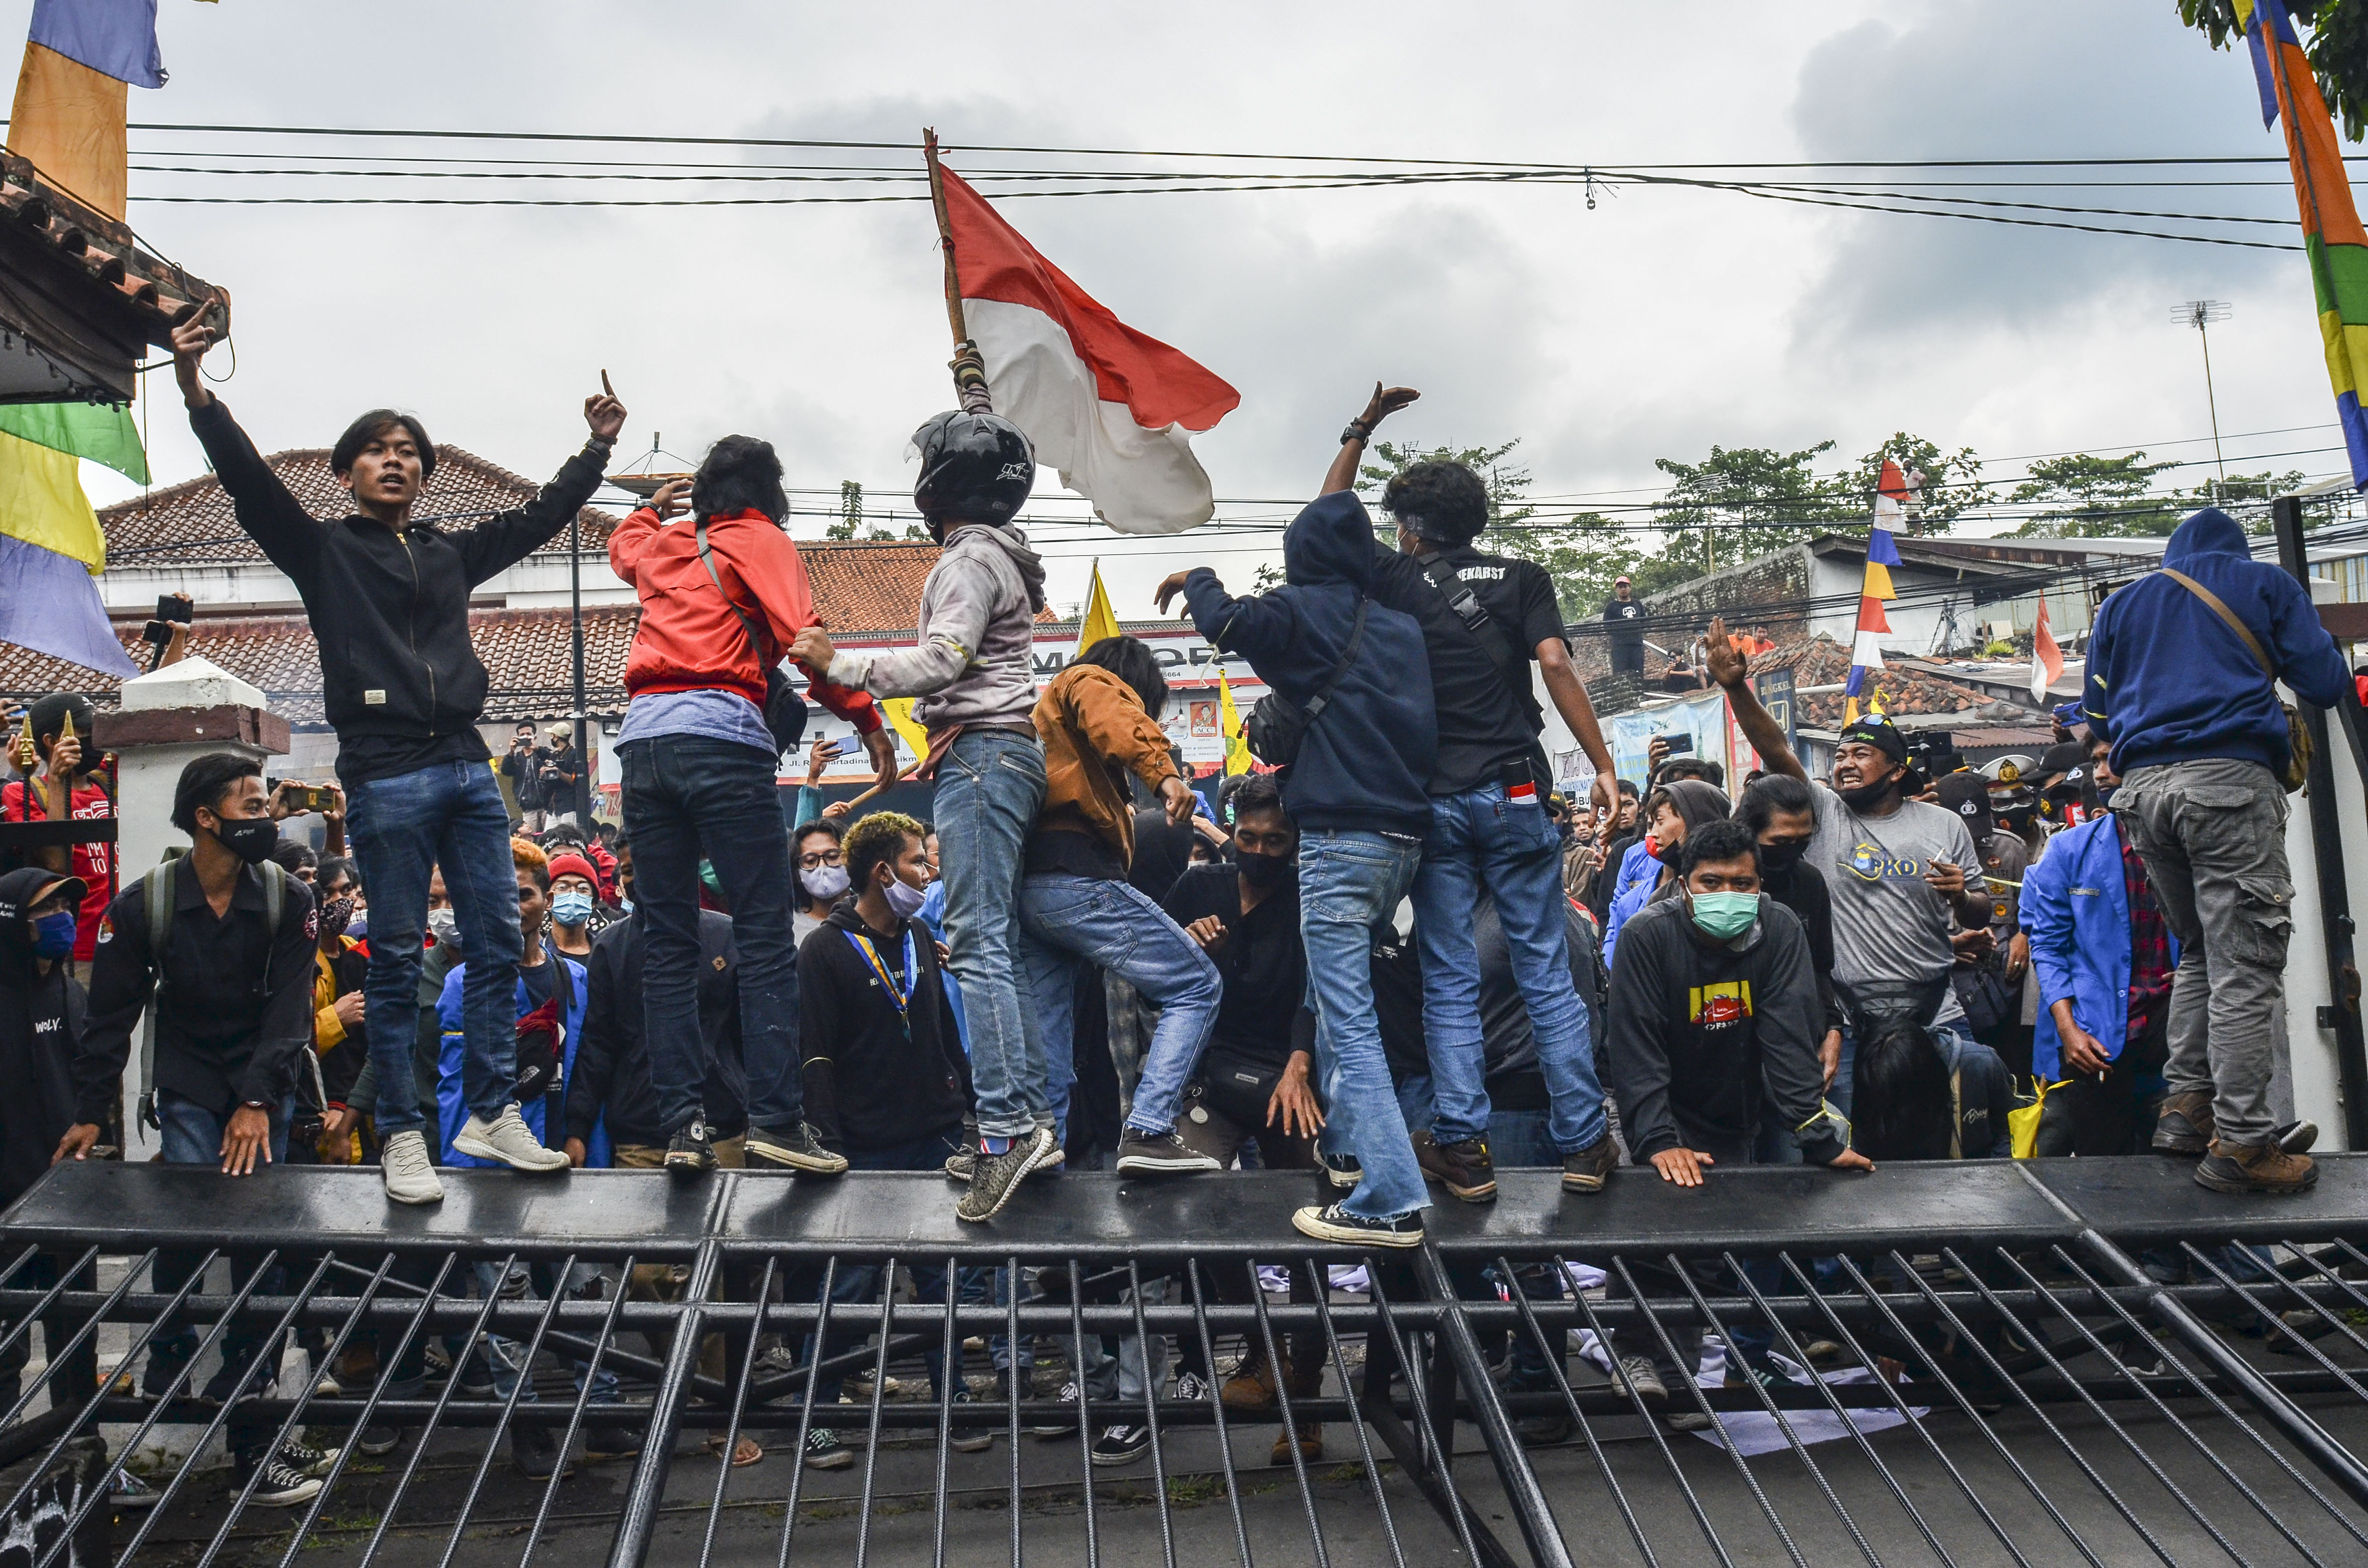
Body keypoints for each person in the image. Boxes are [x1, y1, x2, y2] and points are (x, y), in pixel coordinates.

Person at [166, 313, 622, 1206]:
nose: (395, 459)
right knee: (404, 950)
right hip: (384, 770)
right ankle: (407, 1136)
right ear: (347, 474)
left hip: (464, 765)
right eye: (375, 449)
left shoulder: (451, 554)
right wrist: (194, 392)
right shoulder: (325, 552)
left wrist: (594, 450)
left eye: (408, 449)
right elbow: (252, 487)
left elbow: (540, 517)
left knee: (497, 939)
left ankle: (490, 1109)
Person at [1340, 386, 1621, 1207]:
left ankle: (1462, 1147)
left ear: (1408, 526)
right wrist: (1600, 763)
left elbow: (1326, 514)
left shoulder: (1392, 577)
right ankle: (1583, 1143)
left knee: (1450, 979)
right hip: (1515, 789)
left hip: (1432, 802)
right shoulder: (1522, 576)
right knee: (1543, 970)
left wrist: (1362, 429)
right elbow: (1558, 667)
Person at [1158, 469, 1439, 1248]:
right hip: (1404, 845)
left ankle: (1386, 1196)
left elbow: (1223, 619)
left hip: (1341, 841)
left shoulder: (1298, 610)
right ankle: (1350, 1154)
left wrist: (1198, 575)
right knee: (1340, 994)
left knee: (1349, 1025)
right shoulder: (1397, 627)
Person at [789, 410, 1054, 1217]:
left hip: (982, 758)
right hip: (995, 756)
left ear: (938, 483)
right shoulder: (999, 553)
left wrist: (844, 662)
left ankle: (1009, 1129)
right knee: (994, 941)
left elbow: (944, 659)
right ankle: (1028, 1118)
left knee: (976, 940)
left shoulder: (969, 557)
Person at [55, 753, 333, 1505]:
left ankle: (253, 1428)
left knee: (261, 1247)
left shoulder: (290, 897)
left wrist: (252, 1101)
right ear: (206, 818)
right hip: (184, 1082)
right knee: (184, 1223)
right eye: (249, 803)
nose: (264, 815)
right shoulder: (141, 906)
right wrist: (88, 1112)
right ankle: (168, 1381)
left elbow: (288, 1015)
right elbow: (109, 1017)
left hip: (261, 1084)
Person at [607, 438, 890, 1177]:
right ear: (770, 492)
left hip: (640, 743)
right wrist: (865, 719)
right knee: (765, 934)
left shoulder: (666, 542)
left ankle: (681, 1127)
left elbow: (623, 547)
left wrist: (648, 507)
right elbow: (807, 642)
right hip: (722, 738)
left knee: (664, 944)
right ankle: (776, 1119)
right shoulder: (761, 538)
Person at [2087, 507, 2347, 1192]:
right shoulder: (2263, 584)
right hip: (2226, 785)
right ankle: (2242, 1143)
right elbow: (2324, 682)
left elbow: (2094, 714)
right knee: (2246, 963)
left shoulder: (2121, 603)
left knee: (2201, 949)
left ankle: (2183, 1110)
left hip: (2141, 793)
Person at [1599, 819, 1870, 1412]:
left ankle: (1679, 1378)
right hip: (1665, 1100)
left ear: (1759, 882)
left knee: (1706, 1244)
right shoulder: (1649, 934)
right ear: (1687, 885)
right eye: (1712, 882)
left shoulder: (1776, 927)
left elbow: (1788, 1039)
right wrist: (1657, 1137)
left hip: (1735, 1104)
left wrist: (1819, 1139)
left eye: (1742, 883)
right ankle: (1638, 1352)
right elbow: (1635, 1045)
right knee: (1657, 1229)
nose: (1728, 895)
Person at [1708, 619, 1992, 1119]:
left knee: (1950, 1152)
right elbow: (1777, 750)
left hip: (1935, 1017)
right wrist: (1735, 686)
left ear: (1898, 770)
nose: (1844, 764)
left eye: (1862, 754)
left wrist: (1961, 899)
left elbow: (1979, 912)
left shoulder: (1944, 825)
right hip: (1847, 1028)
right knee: (1848, 1161)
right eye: (1840, 754)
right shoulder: (1823, 812)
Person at [788, 811, 984, 1465]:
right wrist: (830, 1148)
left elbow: (942, 1033)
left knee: (940, 1285)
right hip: (861, 1153)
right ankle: (817, 1416)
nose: (926, 874)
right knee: (845, 1293)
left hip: (932, 1142)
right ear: (882, 871)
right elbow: (814, 1054)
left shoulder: (920, 934)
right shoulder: (822, 948)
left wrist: (968, 1106)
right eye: (916, 862)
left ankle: (952, 1405)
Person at [1016, 636, 1221, 1179]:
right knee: (1197, 985)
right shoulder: (1086, 681)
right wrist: (1165, 772)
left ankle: (1041, 1162)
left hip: (1032, 894)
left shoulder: (1048, 727)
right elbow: (1113, 712)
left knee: (1050, 1052)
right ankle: (1151, 1129)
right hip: (1078, 878)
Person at [2023, 736, 2182, 1156]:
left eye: (2110, 760)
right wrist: (2068, 1029)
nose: (2099, 773)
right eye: (2095, 761)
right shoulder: (2069, 849)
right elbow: (2048, 948)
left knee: (2179, 1168)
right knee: (2102, 1174)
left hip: (2174, 1030)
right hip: (2096, 1036)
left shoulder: (2185, 844)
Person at [568, 836, 742, 1169]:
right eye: (630, 869)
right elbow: (598, 1046)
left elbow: (745, 1033)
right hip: (641, 1138)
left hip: (721, 1131)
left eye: (649, 863)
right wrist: (578, 1127)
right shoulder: (610, 948)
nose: (640, 877)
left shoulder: (725, 936)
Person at [437, 838, 591, 1170]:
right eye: (503, 896)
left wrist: (580, 1136)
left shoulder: (577, 979)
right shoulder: (464, 983)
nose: (514, 907)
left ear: (547, 900)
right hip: (492, 1163)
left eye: (524, 896)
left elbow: (587, 1071)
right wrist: (459, 1169)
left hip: (562, 1145)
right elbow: (455, 1086)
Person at [1735, 774, 1844, 1130]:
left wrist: (1832, 1028)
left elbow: (1820, 967)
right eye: (1779, 842)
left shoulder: (1809, 882)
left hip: (1795, 1052)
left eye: (1802, 842)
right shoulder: (1721, 886)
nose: (1791, 853)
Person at [2, 692, 112, 970]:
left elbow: (150, 711)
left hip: (123, 940)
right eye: (84, 732)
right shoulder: (22, 793)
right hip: (77, 949)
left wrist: (175, 646)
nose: (93, 739)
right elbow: (56, 861)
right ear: (52, 742)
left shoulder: (105, 781)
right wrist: (57, 780)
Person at [1603, 779, 1730, 970]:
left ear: (1693, 819)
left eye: (1660, 822)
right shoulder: (1635, 903)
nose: (1653, 834)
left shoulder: (1738, 895)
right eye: (1650, 825)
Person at [308, 856, 372, 1160]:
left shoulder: (356, 950)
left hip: (360, 1110)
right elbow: (287, 1045)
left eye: (347, 891)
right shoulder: (298, 961)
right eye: (327, 895)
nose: (340, 902)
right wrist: (336, 1018)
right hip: (314, 1111)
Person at [792, 818, 848, 947]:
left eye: (833, 857)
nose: (822, 867)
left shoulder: (874, 920)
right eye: (811, 861)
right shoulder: (787, 928)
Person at [545, 849, 602, 961]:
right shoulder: (537, 955)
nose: (573, 895)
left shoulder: (606, 952)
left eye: (582, 889)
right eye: (562, 887)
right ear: (548, 900)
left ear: (593, 902)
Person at [500, 723, 549, 831]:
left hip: (547, 806)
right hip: (528, 807)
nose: (526, 737)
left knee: (548, 836)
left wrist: (536, 749)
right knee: (530, 837)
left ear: (534, 737)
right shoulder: (516, 758)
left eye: (529, 734)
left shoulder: (542, 753)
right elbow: (505, 771)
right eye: (522, 735)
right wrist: (511, 751)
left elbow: (552, 758)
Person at [538, 725, 585, 828]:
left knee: (568, 836)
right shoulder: (555, 755)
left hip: (568, 805)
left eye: (552, 735)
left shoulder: (574, 754)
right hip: (554, 806)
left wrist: (558, 772)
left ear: (556, 737)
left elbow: (574, 780)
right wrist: (544, 773)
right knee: (549, 837)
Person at [1602, 575, 1647, 679]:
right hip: (1620, 646)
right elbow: (1607, 626)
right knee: (1620, 673)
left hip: (1637, 644)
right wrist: (1620, 634)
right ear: (1616, 590)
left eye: (1625, 586)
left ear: (1630, 588)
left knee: (1638, 672)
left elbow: (1644, 621)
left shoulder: (1637, 604)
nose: (1623, 589)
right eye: (1620, 587)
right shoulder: (1611, 606)